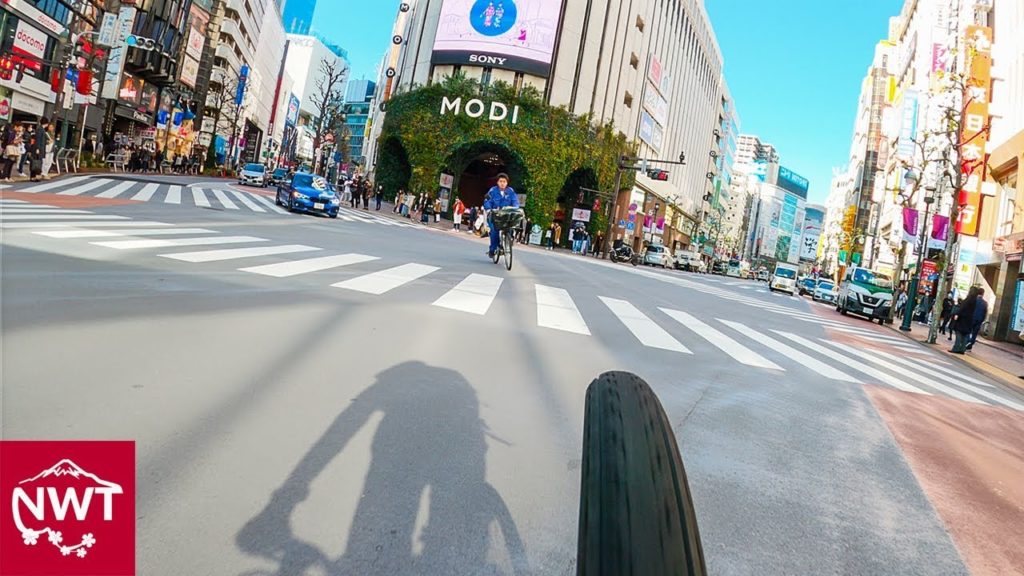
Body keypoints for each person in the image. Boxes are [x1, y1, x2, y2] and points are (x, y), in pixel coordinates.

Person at [483, 173, 520, 259]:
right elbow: (487, 201)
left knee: (511, 228)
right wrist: (488, 209)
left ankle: (508, 243)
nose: (502, 183)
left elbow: (515, 202)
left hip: (506, 216)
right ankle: (492, 250)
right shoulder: (492, 191)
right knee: (494, 232)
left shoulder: (510, 191)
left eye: (504, 181)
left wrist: (515, 208)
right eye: (500, 181)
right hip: (494, 215)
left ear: (507, 183)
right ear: (497, 182)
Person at [950, 286, 980, 354]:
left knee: (959, 333)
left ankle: (956, 348)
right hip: (969, 320)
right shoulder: (975, 300)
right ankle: (962, 349)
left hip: (962, 319)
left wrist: (957, 314)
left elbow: (962, 308)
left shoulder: (968, 299)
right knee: (965, 334)